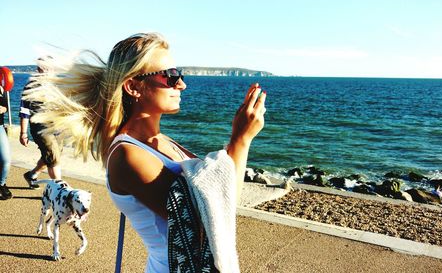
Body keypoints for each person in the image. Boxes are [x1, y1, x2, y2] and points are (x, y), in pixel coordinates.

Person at [24, 33, 266, 272]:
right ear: (133, 87)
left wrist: (239, 141)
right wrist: (240, 140)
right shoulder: (128, 156)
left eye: (178, 74)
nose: (182, 84)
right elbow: (208, 223)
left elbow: (216, 200)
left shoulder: (158, 141)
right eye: (171, 77)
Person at [19, 57, 63, 188]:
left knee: (51, 156)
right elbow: (24, 111)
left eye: (51, 67)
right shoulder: (30, 86)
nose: (49, 70)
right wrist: (23, 133)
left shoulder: (58, 84)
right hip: (40, 128)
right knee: (54, 158)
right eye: (45, 67)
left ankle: (32, 175)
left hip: (57, 127)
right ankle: (59, 190)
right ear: (39, 68)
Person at [0, 82, 12, 199]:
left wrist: (3, 109)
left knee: (6, 160)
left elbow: (5, 107)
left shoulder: (1, 90)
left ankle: (1, 184)